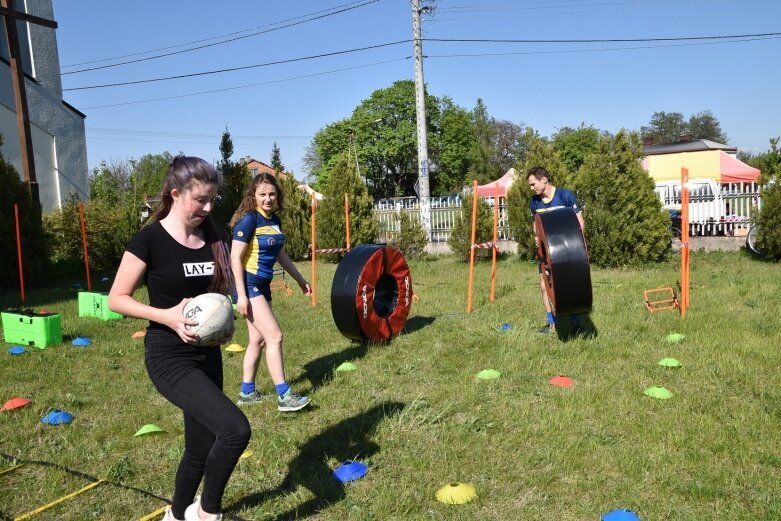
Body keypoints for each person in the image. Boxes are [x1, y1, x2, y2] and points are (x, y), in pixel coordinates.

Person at [108, 156, 249, 521]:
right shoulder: (150, 240)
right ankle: (207, 513)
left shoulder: (213, 235)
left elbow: (220, 292)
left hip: (207, 354)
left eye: (212, 199)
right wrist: (167, 317)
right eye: (200, 199)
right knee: (235, 431)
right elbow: (116, 299)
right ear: (175, 194)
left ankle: (176, 514)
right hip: (168, 356)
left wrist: (225, 320)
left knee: (199, 447)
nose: (207, 207)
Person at [230, 172, 311, 412]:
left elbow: (281, 254)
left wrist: (300, 279)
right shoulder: (249, 220)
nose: (268, 198)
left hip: (262, 284)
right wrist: (241, 295)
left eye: (272, 194)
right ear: (253, 195)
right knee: (275, 336)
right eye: (262, 194)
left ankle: (247, 392)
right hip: (249, 283)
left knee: (258, 339)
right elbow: (235, 257)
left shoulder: (273, 220)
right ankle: (284, 396)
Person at [527, 166, 585, 334]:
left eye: (533, 184)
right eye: (530, 186)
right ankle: (552, 323)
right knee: (544, 286)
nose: (532, 188)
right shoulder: (534, 202)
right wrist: (537, 238)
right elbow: (535, 224)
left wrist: (578, 245)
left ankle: (576, 323)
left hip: (567, 249)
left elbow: (579, 221)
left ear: (543, 179)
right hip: (545, 252)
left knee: (569, 286)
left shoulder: (565, 195)